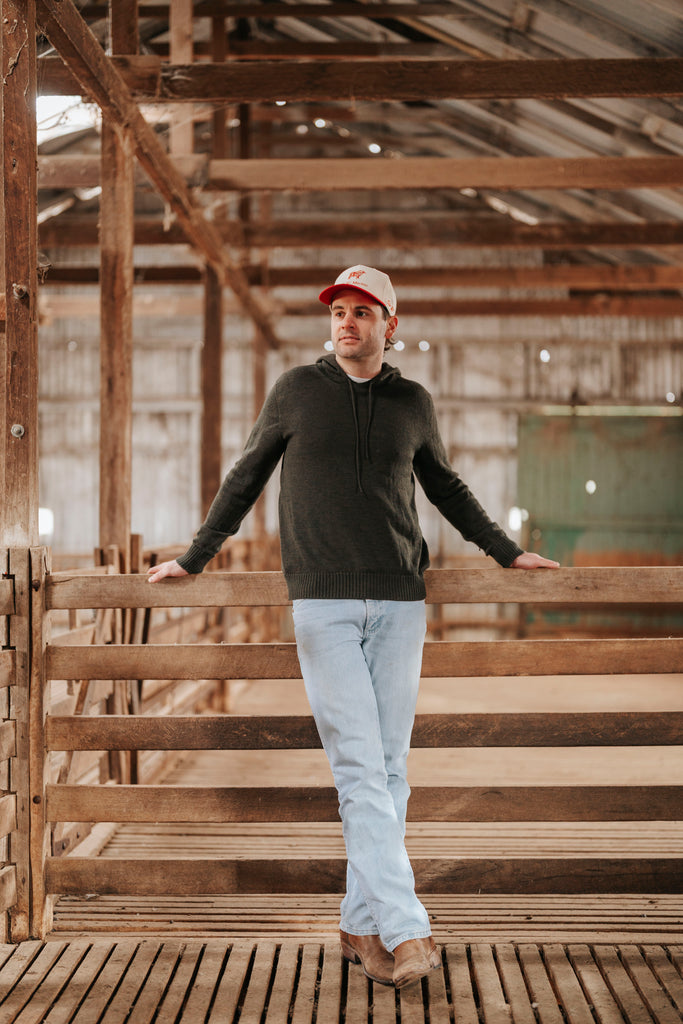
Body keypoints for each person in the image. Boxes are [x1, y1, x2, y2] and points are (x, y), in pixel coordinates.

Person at [148, 265, 559, 988]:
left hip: (400, 601)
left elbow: (446, 487)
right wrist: (195, 555)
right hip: (323, 605)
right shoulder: (297, 393)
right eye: (339, 310)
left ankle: (357, 925)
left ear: (388, 326)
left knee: (389, 772)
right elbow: (244, 476)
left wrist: (504, 549)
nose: (348, 321)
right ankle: (406, 930)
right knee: (361, 769)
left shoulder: (412, 402)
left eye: (364, 312)